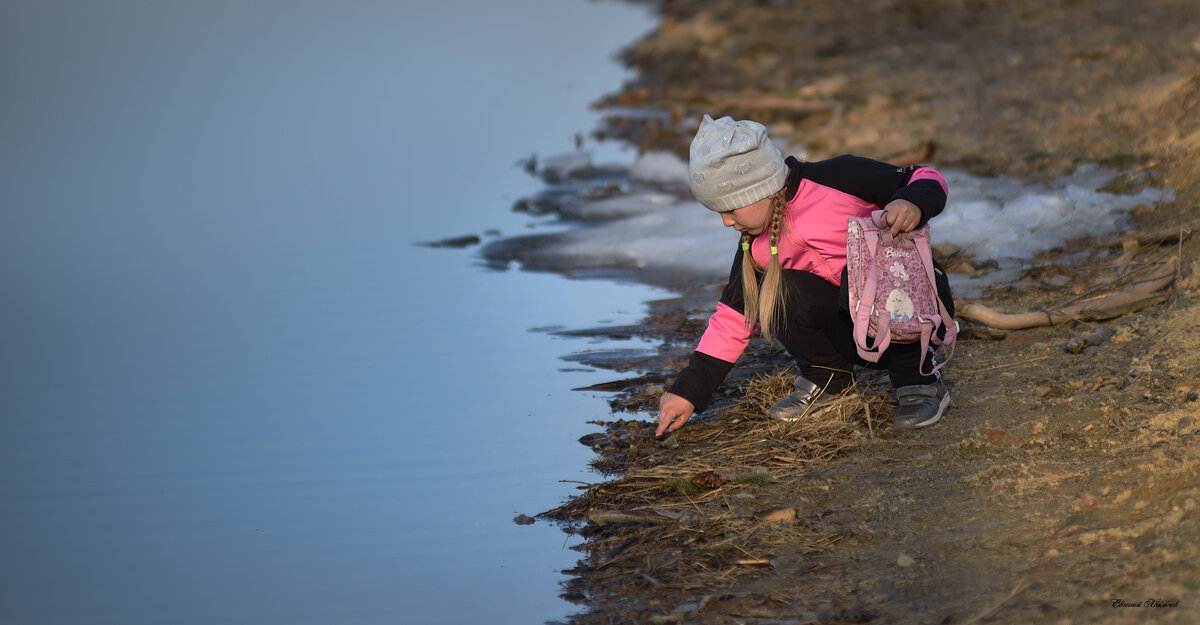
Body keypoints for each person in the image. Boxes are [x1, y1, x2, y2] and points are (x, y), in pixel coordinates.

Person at [655, 115, 954, 437]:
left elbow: (925, 176)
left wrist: (912, 202)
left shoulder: (837, 178)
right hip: (855, 332)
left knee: (860, 273)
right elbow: (733, 318)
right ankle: (829, 379)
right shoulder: (756, 246)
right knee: (777, 290)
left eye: (731, 209)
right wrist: (688, 390)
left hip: (909, 312)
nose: (727, 222)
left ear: (761, 190)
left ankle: (920, 382)